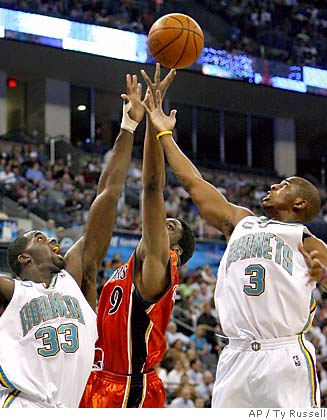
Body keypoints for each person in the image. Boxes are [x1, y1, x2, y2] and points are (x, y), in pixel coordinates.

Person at [141, 78, 327, 408]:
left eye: (283, 185)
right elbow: (193, 182)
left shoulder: (307, 242)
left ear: (299, 204)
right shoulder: (241, 221)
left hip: (283, 355)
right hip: (235, 356)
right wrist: (163, 133)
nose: (273, 187)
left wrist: (322, 276)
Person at [0, 72, 145, 408]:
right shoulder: (12, 292)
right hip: (22, 405)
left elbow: (108, 193)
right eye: (38, 237)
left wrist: (127, 128)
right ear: (23, 257)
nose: (52, 238)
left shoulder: (73, 277)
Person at [79, 64, 195, 408]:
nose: (161, 225)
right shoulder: (129, 267)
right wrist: (129, 124)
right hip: (101, 378)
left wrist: (155, 130)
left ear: (176, 248)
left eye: (169, 226)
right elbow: (107, 192)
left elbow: (152, 188)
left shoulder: (159, 264)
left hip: (130, 388)